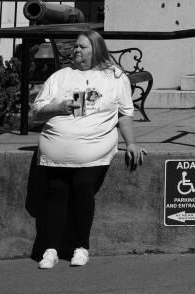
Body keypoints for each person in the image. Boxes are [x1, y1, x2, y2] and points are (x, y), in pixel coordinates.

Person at [30, 30, 144, 269]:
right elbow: (36, 110)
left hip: (94, 148)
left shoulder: (114, 77)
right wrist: (59, 106)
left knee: (83, 188)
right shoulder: (61, 76)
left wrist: (130, 143)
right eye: (76, 47)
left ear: (97, 50)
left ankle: (81, 247)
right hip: (56, 150)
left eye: (83, 47)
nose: (76, 51)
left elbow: (125, 113)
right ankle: (50, 248)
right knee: (56, 192)